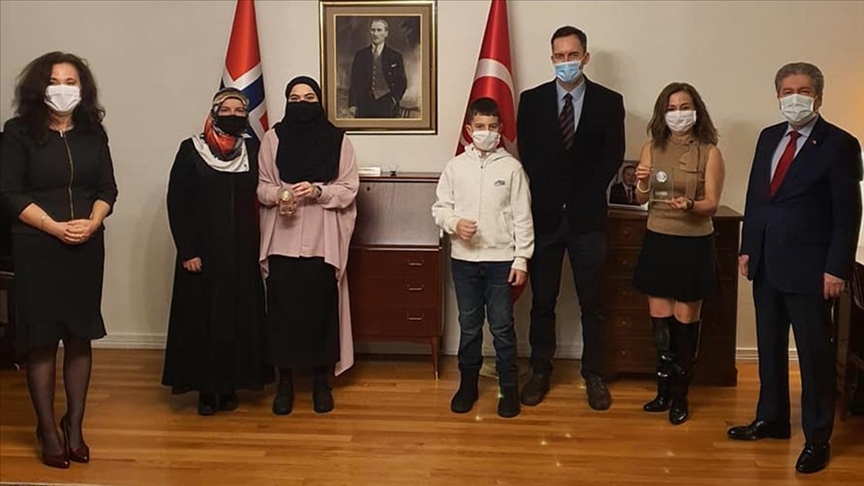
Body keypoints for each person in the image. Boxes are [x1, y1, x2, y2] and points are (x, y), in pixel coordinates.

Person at [728, 62, 863, 474]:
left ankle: (817, 438)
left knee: (814, 356)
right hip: (766, 263)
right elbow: (757, 197)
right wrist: (748, 247)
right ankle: (772, 419)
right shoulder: (769, 137)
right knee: (769, 349)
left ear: (818, 96)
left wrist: (836, 268)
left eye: (803, 90)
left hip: (812, 270)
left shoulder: (840, 144)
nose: (795, 98)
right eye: (787, 91)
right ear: (777, 95)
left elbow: (848, 214)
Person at [0, 52, 118, 468]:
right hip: (37, 245)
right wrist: (54, 226)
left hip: (86, 246)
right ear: (39, 87)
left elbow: (107, 188)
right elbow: (9, 193)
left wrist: (93, 221)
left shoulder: (93, 133)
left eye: (71, 82)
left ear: (83, 89)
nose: (63, 89)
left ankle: (75, 427)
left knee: (80, 338)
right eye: (55, 81)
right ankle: (48, 431)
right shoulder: (17, 133)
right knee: (43, 340)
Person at [516, 26, 625, 410]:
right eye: (559, 56)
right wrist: (556, 196)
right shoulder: (531, 101)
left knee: (592, 303)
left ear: (585, 57)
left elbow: (612, 157)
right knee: (543, 301)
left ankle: (594, 374)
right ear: (552, 59)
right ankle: (540, 370)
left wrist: (579, 196)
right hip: (545, 217)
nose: (566, 62)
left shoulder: (609, 102)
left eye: (572, 55)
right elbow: (529, 155)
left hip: (587, 218)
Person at [161, 88, 273, 416]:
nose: (234, 115)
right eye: (227, 109)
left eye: (240, 110)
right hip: (202, 255)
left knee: (237, 320)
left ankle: (230, 386)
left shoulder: (253, 149)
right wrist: (188, 250)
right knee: (204, 322)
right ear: (214, 112)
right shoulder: (191, 149)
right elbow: (177, 202)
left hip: (242, 253)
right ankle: (206, 391)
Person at [258, 76, 359, 415]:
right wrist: (280, 193)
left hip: (322, 240)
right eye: (295, 98)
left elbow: (348, 188)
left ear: (320, 101)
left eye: (309, 98)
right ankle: (284, 383)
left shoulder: (338, 140)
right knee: (282, 314)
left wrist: (319, 192)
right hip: (282, 239)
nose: (302, 104)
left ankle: (320, 382)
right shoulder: (273, 138)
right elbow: (262, 186)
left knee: (320, 312)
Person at [432, 97, 534, 418]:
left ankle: (508, 388)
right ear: (469, 129)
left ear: (500, 129)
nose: (486, 132)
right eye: (480, 127)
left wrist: (521, 259)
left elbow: (522, 216)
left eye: (492, 127)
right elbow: (440, 208)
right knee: (469, 325)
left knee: (502, 326)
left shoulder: (512, 168)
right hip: (464, 262)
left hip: (501, 261)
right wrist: (454, 223)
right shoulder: (455, 167)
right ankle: (468, 384)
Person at [632, 82, 725, 425]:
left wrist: (690, 205)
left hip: (693, 243)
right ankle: (664, 390)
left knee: (686, 321)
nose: (678, 114)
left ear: (697, 110)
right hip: (658, 239)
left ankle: (682, 395)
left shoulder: (710, 152)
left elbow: (712, 203)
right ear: (662, 114)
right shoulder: (651, 147)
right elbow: (641, 197)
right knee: (660, 320)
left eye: (684, 107)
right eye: (671, 109)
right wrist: (641, 181)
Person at [347, 18, 407, 118]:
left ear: (386, 33)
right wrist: (352, 104)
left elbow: (402, 82)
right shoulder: (360, 55)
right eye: (373, 30)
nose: (375, 34)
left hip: (387, 105)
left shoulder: (395, 56)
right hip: (364, 104)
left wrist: (394, 99)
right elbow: (354, 81)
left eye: (379, 30)